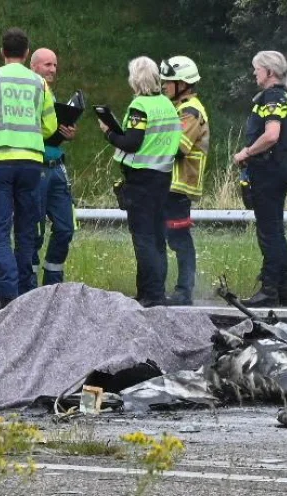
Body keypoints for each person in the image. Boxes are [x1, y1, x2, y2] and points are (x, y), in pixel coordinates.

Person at [0, 27, 57, 311]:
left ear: (2, 52)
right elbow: (50, 126)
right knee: (26, 229)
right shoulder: (39, 83)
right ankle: (26, 294)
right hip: (31, 161)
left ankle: (8, 297)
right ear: (27, 52)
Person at [100, 56, 182, 308]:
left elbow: (132, 143)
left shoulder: (140, 107)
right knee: (157, 236)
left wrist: (109, 133)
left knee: (143, 238)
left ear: (135, 79)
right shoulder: (168, 105)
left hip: (141, 178)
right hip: (162, 176)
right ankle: (153, 292)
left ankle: (151, 294)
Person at [232, 51, 287, 308]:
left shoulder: (271, 97)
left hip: (268, 169)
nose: (254, 73)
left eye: (257, 69)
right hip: (280, 167)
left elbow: (271, 135)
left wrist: (246, 153)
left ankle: (270, 288)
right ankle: (284, 288)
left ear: (269, 72)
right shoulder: (284, 96)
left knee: (269, 232)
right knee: (276, 229)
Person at [160, 55, 209, 306]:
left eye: (169, 81)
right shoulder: (179, 108)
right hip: (170, 183)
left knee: (179, 238)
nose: (164, 85)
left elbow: (178, 147)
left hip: (180, 183)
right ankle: (175, 289)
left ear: (183, 83)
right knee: (168, 236)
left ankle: (184, 291)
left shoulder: (190, 111)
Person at [30, 46, 77, 286]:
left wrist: (67, 132)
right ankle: (30, 288)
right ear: (34, 66)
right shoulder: (28, 94)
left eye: (55, 65)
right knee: (34, 232)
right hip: (36, 168)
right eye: (48, 64)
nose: (52, 69)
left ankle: (53, 283)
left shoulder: (51, 95)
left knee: (66, 228)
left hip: (57, 167)